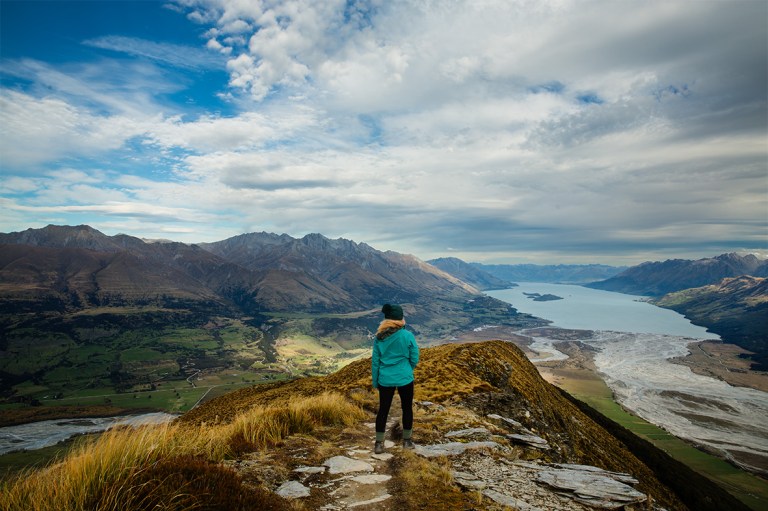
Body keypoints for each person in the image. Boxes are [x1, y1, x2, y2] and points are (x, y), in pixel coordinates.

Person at [371, 303, 420, 453]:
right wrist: (407, 369)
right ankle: (407, 441)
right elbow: (415, 357)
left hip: (385, 378)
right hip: (405, 378)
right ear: (400, 319)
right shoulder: (408, 335)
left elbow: (375, 361)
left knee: (383, 410)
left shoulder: (379, 338)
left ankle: (379, 444)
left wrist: (375, 381)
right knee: (407, 409)